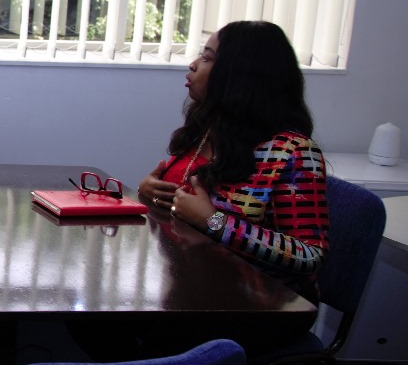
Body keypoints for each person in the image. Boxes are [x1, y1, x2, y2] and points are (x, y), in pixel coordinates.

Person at [138, 20, 328, 303]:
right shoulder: (209, 131)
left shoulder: (294, 152)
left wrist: (214, 222)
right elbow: (181, 207)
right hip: (196, 285)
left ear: (240, 76)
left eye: (207, 58)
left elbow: (309, 255)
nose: (193, 65)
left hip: (258, 305)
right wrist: (149, 190)